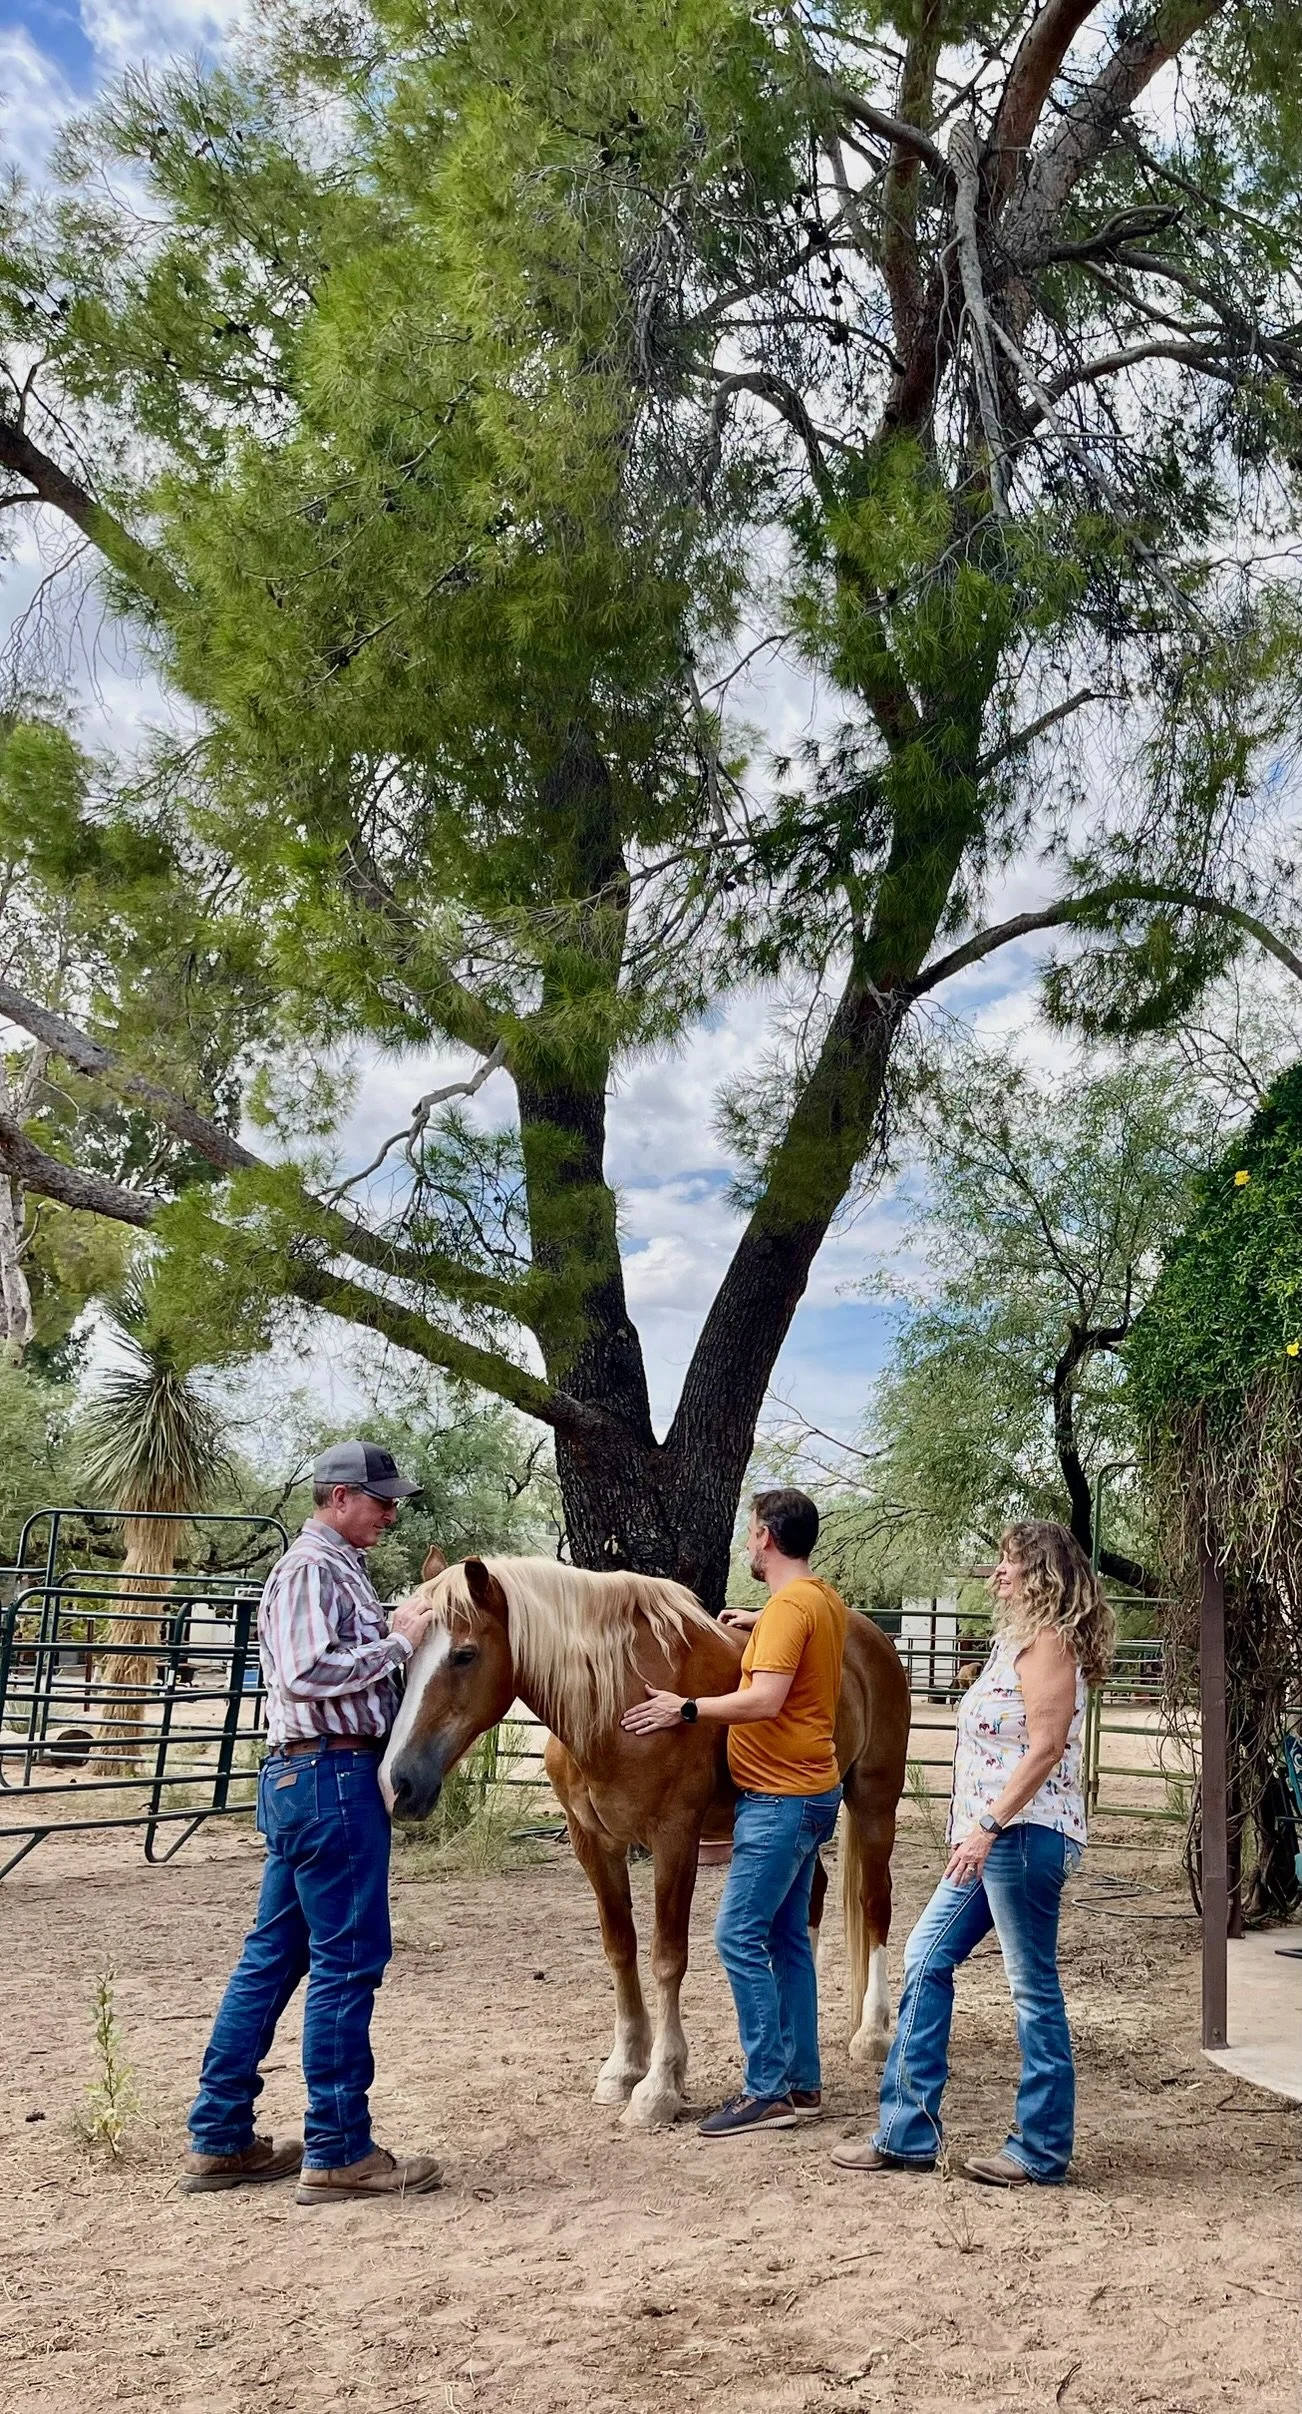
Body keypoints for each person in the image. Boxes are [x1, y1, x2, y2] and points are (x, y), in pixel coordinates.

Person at [182, 1440, 443, 2204]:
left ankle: (222, 2136)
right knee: (348, 1959)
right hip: (329, 1775)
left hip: (309, 1777)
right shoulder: (310, 1569)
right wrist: (398, 1642)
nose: (391, 1513)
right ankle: (337, 2147)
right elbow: (302, 1671)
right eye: (380, 1499)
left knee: (275, 1956)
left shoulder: (336, 1570)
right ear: (338, 1496)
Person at [832, 1520, 1115, 2188]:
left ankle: (1041, 2149)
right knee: (924, 1958)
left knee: (1031, 1987)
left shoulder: (1048, 1644)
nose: (996, 1574)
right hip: (989, 1841)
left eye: (1007, 1563)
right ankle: (906, 2133)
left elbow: (1044, 1748)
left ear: (1039, 1572)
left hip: (1021, 1837)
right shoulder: (1014, 1640)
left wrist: (987, 1823)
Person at [622, 1486, 847, 2139]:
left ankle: (767, 2090)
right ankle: (802, 2083)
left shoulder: (789, 1612)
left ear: (768, 1538)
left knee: (736, 1936)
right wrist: (757, 1626)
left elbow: (765, 1701)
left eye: (751, 1532)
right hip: (812, 1792)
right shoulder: (818, 1600)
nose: (748, 1542)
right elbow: (797, 1646)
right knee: (784, 1941)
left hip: (779, 1800)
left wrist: (685, 1707)